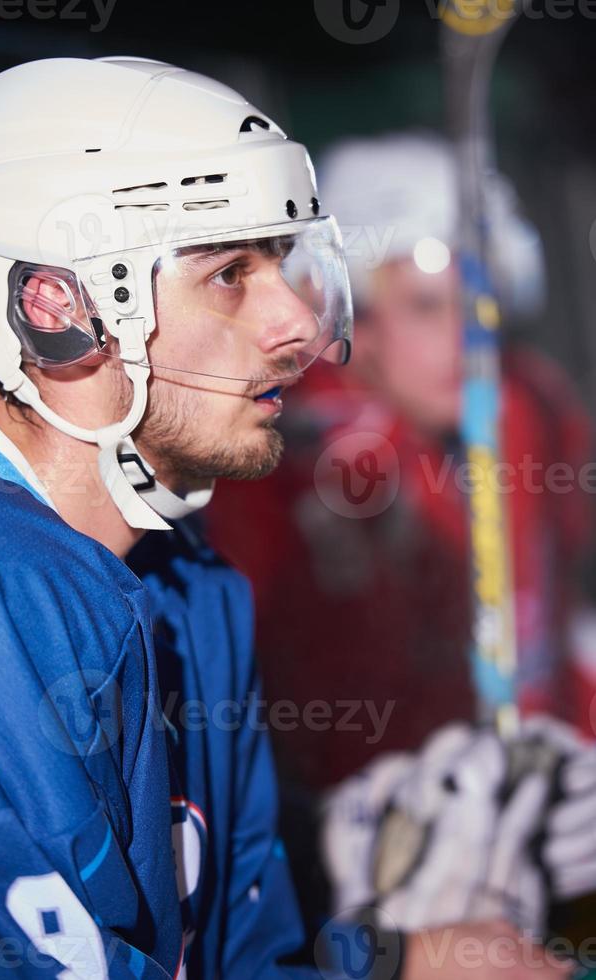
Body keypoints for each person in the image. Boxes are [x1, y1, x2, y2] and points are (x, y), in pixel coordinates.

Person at [0, 64, 572, 980]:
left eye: (283, 264)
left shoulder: (185, 579)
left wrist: (391, 959)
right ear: (57, 308)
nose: (298, 325)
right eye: (230, 273)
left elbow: (238, 958)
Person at [206, 135, 596, 946]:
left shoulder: (532, 412)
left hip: (539, 823)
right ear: (358, 316)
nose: (465, 337)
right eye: (426, 305)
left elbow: (553, 621)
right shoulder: (287, 452)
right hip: (374, 862)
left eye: (479, 302)